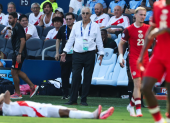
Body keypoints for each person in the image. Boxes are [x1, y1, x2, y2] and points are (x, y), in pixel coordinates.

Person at [60, 7, 104, 106]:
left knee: (87, 77)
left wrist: (101, 53)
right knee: (75, 77)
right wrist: (65, 51)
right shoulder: (76, 25)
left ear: (90, 14)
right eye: (83, 13)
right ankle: (73, 99)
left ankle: (83, 100)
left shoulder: (95, 26)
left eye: (87, 13)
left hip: (90, 53)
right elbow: (70, 39)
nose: (84, 15)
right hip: (77, 54)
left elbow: (99, 41)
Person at [137, 0, 170, 122]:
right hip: (158, 54)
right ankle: (159, 120)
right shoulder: (157, 5)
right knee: (145, 87)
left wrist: (165, 29)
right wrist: (142, 54)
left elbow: (161, 29)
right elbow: (151, 30)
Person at [118, 7, 150, 117]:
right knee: (137, 84)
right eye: (141, 14)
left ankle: (131, 105)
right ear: (135, 15)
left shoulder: (148, 28)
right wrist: (121, 56)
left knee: (142, 86)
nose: (143, 17)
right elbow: (121, 44)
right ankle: (139, 110)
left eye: (144, 15)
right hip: (134, 59)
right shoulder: (129, 29)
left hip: (145, 59)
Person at [0, 90, 114, 119]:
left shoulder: (8, 107)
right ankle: (93, 115)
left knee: (71, 110)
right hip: (41, 112)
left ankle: (100, 114)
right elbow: (6, 94)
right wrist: (1, 99)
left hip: (42, 107)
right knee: (66, 112)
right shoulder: (6, 110)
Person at [7, 12, 39, 99]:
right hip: (17, 52)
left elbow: (23, 40)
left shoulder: (18, 27)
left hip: (19, 53)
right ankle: (32, 86)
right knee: (16, 72)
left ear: (15, 19)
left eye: (10, 18)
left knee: (14, 72)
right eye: (8, 18)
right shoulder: (14, 28)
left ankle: (18, 93)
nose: (8, 19)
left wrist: (19, 53)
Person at [55, 13, 75, 99]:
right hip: (65, 55)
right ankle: (65, 94)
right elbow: (58, 40)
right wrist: (57, 52)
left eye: (70, 19)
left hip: (76, 54)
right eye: (67, 19)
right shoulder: (63, 28)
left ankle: (75, 92)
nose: (68, 20)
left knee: (76, 75)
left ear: (74, 19)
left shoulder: (78, 28)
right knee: (64, 75)